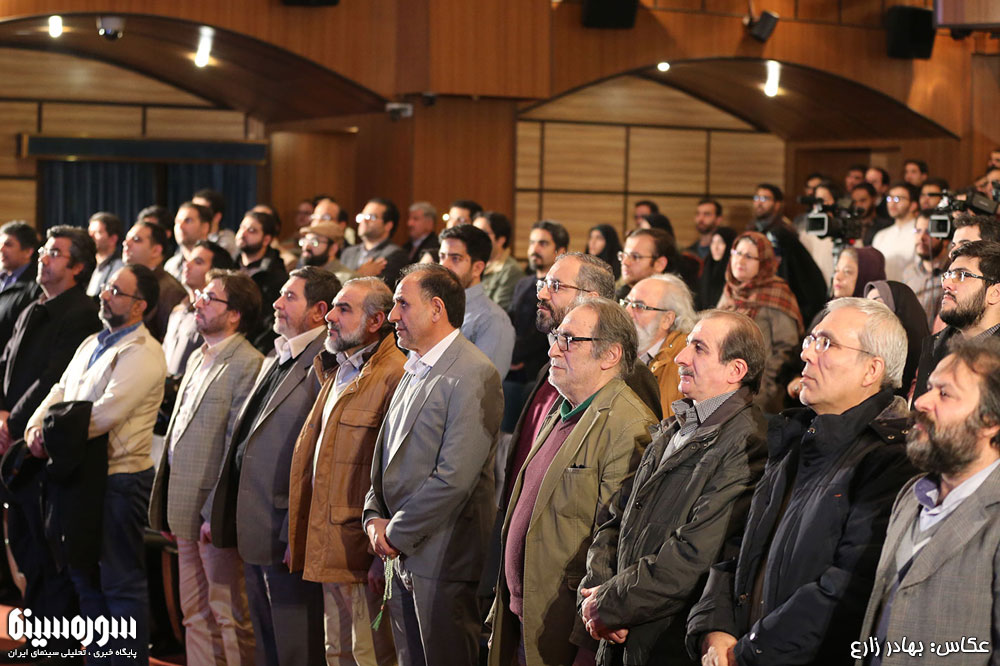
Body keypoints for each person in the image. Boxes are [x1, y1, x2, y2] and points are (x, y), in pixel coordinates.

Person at [687, 297, 917, 666]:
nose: (806, 354)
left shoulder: (891, 460)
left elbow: (847, 586)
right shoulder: (797, 438)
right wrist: (715, 630)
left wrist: (748, 653)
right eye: (811, 340)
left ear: (871, 370)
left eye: (826, 343)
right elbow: (740, 548)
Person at [578, 310, 768, 666]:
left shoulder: (747, 444)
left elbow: (694, 555)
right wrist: (596, 591)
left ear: (736, 370)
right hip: (620, 631)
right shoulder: (675, 426)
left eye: (698, 348)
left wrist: (611, 602)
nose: (680, 356)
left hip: (662, 644)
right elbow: (615, 518)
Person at [488, 298, 656, 666]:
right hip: (522, 614)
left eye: (569, 340)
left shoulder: (629, 426)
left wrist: (585, 642)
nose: (553, 349)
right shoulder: (562, 407)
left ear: (609, 355)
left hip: (564, 629)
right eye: (555, 338)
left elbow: (614, 543)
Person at [363, 263, 503, 666]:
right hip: (402, 550)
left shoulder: (474, 372)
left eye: (402, 304)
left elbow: (454, 478)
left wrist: (394, 532)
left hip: (444, 557)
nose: (392, 316)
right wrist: (373, 516)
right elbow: (385, 456)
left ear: (436, 308)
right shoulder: (414, 363)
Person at [26, 264, 167, 664]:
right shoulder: (93, 342)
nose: (104, 295)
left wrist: (49, 438)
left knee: (119, 582)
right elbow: (60, 390)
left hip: (119, 480)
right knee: (85, 577)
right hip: (79, 474)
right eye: (106, 287)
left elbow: (106, 414)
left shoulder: (144, 351)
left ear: (139, 305)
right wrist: (36, 426)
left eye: (116, 291)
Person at [209, 267, 340, 666]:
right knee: (267, 642)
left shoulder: (326, 362)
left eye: (290, 297)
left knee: (295, 645)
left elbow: (320, 456)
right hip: (255, 522)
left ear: (319, 310)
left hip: (286, 526)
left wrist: (294, 529)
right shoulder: (277, 353)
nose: (277, 303)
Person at [856, 337, 1000, 666]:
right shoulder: (911, 496)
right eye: (930, 387)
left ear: (990, 422)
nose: (921, 401)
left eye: (944, 393)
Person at [287, 277, 404, 665]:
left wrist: (377, 555)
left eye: (344, 309)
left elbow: (392, 474)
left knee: (366, 655)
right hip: (330, 538)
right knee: (336, 651)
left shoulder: (395, 373)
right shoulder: (339, 367)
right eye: (334, 307)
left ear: (376, 321)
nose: (330, 317)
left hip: (359, 545)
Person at [148, 270, 263, 666]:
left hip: (214, 511)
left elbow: (236, 447)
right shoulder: (198, 355)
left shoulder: (248, 363)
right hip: (183, 503)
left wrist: (216, 510)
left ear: (234, 314)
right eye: (201, 295)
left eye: (210, 298)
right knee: (193, 612)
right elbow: (178, 434)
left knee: (228, 613)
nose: (198, 302)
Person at [0, 226, 100, 654]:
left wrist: (12, 420)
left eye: (55, 252)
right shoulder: (33, 305)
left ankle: (56, 647)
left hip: (41, 439)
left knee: (47, 550)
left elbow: (53, 378)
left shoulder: (81, 312)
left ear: (77, 266)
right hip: (13, 434)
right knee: (25, 544)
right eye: (44, 249)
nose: (44, 256)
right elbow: (6, 363)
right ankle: (38, 635)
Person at [717, 231, 803, 413]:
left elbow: (786, 350)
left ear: (763, 262)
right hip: (723, 386)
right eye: (737, 253)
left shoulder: (777, 294)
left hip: (761, 393)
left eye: (749, 256)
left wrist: (763, 390)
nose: (740, 261)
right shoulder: (730, 290)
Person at [913, 241, 1000, 402]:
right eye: (947, 275)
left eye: (961, 276)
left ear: (995, 293)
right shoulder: (935, 345)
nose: (946, 284)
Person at [504, 220, 568, 432]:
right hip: (513, 365)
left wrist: (517, 357)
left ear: (560, 251)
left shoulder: (562, 290)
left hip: (540, 367)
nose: (534, 249)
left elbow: (546, 332)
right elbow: (511, 323)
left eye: (543, 243)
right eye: (532, 243)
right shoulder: (524, 283)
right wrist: (510, 357)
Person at [438, 224, 515, 377]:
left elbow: (484, 383)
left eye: (455, 258)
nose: (444, 265)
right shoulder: (434, 308)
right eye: (442, 256)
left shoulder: (492, 320)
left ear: (477, 268)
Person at [622, 273, 697, 418]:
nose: (627, 312)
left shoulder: (685, 361)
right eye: (626, 303)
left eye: (639, 306)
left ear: (667, 319)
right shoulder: (617, 349)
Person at [122, 220, 187, 342]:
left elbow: (168, 340)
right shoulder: (128, 281)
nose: (126, 243)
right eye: (127, 239)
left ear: (156, 251)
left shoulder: (170, 291)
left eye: (136, 240)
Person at [236, 209, 289, 352]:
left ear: (266, 239)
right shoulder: (230, 267)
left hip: (254, 349)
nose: (243, 234)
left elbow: (270, 325)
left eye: (252, 231)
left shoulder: (276, 276)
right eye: (242, 227)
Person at [340, 198, 409, 287]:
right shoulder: (348, 252)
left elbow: (381, 290)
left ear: (388, 225)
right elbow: (337, 285)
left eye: (371, 217)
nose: (364, 221)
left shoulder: (395, 254)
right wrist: (360, 274)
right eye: (362, 216)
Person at [902, 210, 951, 329]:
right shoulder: (909, 272)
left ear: (945, 238)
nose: (921, 237)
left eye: (929, 232)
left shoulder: (954, 273)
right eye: (918, 231)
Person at [0, 221, 41, 352]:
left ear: (28, 251)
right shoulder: (2, 277)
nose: (1, 249)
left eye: (8, 245)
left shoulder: (36, 286)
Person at [872, 182, 920, 282]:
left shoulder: (920, 233)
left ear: (913, 205)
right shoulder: (881, 235)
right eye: (890, 198)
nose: (892, 203)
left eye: (898, 199)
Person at [475, 211, 523, 310]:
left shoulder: (511, 270)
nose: (475, 238)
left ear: (501, 240)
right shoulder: (475, 263)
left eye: (482, 233)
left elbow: (497, 309)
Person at [296, 213, 356, 285]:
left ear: (333, 249)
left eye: (314, 242)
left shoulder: (345, 280)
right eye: (305, 241)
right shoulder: (303, 274)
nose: (306, 247)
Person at [164, 201, 212, 280]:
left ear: (205, 227)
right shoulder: (171, 266)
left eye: (188, 221)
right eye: (177, 222)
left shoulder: (218, 260)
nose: (180, 226)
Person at [696, 227, 737, 310]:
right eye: (713, 242)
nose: (715, 247)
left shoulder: (735, 272)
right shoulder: (707, 265)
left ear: (730, 245)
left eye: (721, 243)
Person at [86, 212, 125, 297]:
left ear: (113, 239)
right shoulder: (88, 265)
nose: (90, 236)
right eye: (90, 232)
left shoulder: (120, 269)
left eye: (97, 232)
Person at [193, 188, 238, 259]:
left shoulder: (226, 242)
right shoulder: (189, 237)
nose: (193, 214)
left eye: (201, 211)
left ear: (217, 217)